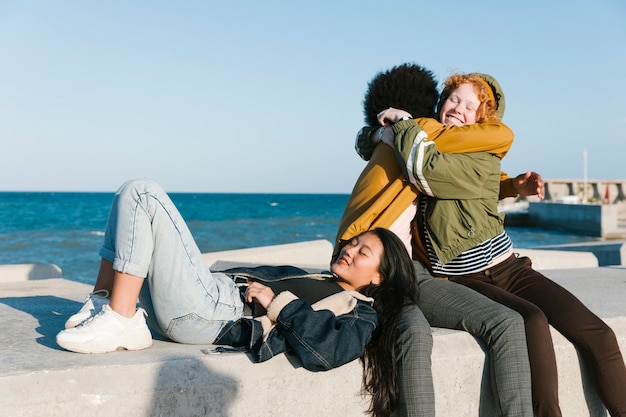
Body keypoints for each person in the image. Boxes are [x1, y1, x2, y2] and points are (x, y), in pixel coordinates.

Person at [55, 179, 420, 417]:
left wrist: (277, 302)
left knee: (143, 193)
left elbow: (327, 351)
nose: (350, 250)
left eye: (363, 253)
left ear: (378, 277)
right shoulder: (324, 278)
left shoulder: (360, 313)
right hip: (208, 297)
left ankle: (121, 319)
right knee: (124, 199)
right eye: (353, 243)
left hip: (215, 310)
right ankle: (106, 301)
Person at [374, 73, 626, 416]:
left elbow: (440, 173)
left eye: (470, 105)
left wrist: (400, 126)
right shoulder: (427, 137)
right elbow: (442, 171)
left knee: (600, 333)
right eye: (453, 99)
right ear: (440, 102)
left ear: (482, 118)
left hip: (510, 267)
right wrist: (382, 131)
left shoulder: (470, 149)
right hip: (464, 278)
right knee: (532, 320)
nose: (458, 108)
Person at [336, 64, 535, 417]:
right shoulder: (421, 132)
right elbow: (497, 136)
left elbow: (470, 177)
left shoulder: (406, 137)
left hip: (409, 269)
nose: (455, 111)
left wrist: (379, 134)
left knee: (506, 321)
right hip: (370, 265)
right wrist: (391, 130)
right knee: (417, 330)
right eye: (451, 101)